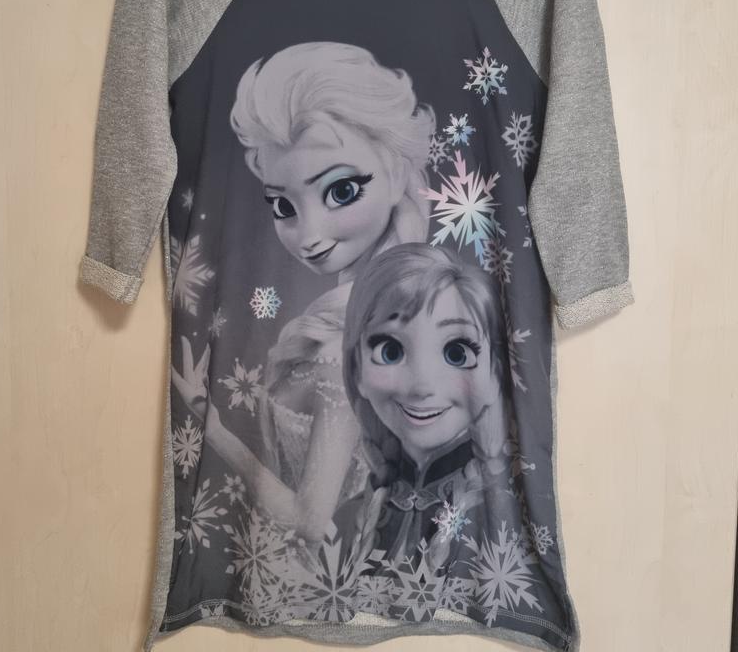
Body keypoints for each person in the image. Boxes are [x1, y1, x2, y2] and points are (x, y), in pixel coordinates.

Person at [173, 41, 436, 543]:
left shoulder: (344, 356)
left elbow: (311, 522)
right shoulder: (360, 322)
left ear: (397, 172)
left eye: (341, 191)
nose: (309, 235)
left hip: (306, 574)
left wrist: (216, 434)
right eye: (283, 207)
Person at [337, 241, 519, 570]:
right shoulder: (344, 524)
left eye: (457, 354)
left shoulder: (510, 522)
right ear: (356, 369)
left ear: (495, 372)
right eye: (390, 351)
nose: (421, 388)